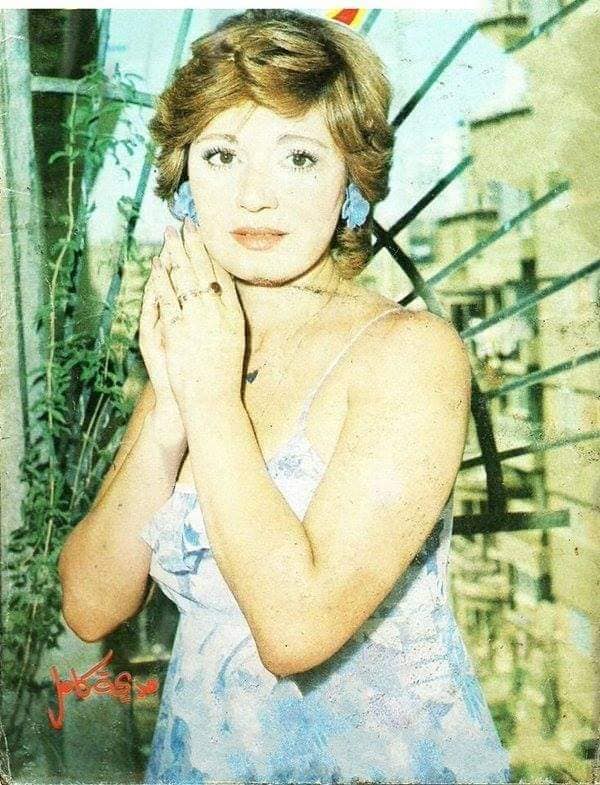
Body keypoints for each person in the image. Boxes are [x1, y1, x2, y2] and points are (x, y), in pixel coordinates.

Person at [58, 9, 513, 784]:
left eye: (299, 157)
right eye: (222, 155)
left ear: (351, 185)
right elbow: (90, 605)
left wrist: (207, 399)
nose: (255, 196)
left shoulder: (410, 353)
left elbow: (296, 630)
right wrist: (168, 413)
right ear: (185, 182)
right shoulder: (204, 342)